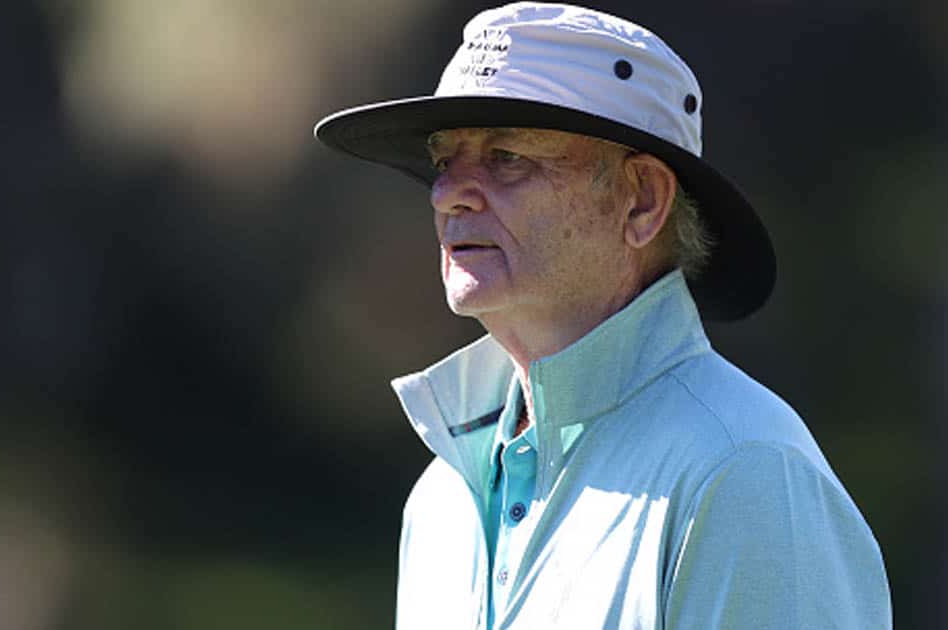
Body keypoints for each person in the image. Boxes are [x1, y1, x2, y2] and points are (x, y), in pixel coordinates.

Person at [315, 3, 891, 628]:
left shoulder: (745, 472)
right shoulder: (440, 501)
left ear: (642, 201)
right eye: (444, 161)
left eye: (507, 156)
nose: (448, 193)